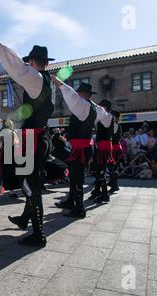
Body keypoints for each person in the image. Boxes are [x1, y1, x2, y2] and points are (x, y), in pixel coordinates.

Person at [0, 26, 54, 247]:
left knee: (31, 186)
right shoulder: (46, 81)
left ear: (33, 62)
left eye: (29, 62)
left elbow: (14, 64)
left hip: (34, 141)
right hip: (40, 138)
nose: (27, 65)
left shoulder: (35, 78)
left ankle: (38, 235)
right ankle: (25, 219)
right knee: (32, 182)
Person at [53, 81, 112, 219]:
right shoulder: (93, 107)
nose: (77, 95)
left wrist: (56, 80)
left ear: (81, 94)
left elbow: (69, 93)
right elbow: (107, 119)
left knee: (77, 177)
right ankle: (70, 202)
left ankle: (79, 209)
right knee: (74, 176)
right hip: (83, 147)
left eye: (79, 93)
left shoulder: (83, 105)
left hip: (81, 148)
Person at [89, 99, 114, 203]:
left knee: (100, 170)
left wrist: (90, 100)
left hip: (104, 146)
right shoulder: (104, 116)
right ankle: (97, 191)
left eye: (100, 106)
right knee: (97, 169)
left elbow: (97, 108)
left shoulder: (107, 116)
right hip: (102, 145)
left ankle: (104, 195)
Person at [0, 120, 22, 198]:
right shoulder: (8, 133)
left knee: (13, 173)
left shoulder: (10, 132)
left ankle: (13, 191)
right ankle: (12, 192)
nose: (12, 125)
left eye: (12, 124)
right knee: (11, 173)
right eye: (10, 124)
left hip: (11, 154)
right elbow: (15, 143)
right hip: (10, 154)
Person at [109, 111, 123, 194]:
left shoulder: (114, 124)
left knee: (113, 167)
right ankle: (112, 182)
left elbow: (111, 135)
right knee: (112, 167)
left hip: (115, 148)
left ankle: (115, 186)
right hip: (116, 147)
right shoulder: (116, 124)